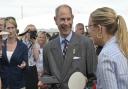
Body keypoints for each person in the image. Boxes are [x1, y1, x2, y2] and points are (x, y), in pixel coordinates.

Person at [43, 4, 97, 89]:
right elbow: (47, 75)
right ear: (55, 20)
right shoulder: (48, 47)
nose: (66, 23)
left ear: (72, 18)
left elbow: (94, 78)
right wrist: (44, 82)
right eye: (62, 19)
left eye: (68, 19)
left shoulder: (86, 43)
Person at [86, 7, 128, 89]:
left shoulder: (106, 56)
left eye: (89, 26)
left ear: (99, 29)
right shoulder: (121, 47)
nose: (88, 31)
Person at [0, 16, 28, 89]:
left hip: (19, 84)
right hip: (4, 83)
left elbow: (26, 62)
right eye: (8, 28)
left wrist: (24, 64)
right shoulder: (1, 45)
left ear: (16, 28)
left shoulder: (23, 47)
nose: (11, 30)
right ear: (4, 29)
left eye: (13, 27)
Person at [20, 24, 38, 89]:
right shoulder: (20, 42)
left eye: (33, 32)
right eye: (30, 31)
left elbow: (36, 58)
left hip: (32, 69)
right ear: (25, 32)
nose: (31, 34)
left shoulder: (35, 43)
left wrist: (34, 43)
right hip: (22, 69)